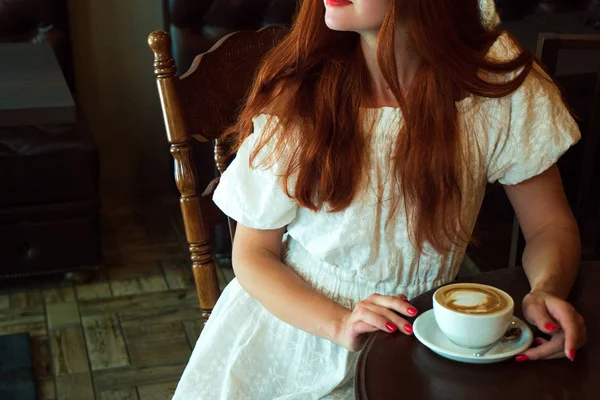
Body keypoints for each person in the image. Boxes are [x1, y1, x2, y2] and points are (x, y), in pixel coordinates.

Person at [172, 0, 588, 398]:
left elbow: (548, 224)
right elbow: (253, 255)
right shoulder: (301, 94)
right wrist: (339, 324)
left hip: (428, 336)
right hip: (300, 332)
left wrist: (548, 289)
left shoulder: (493, 81)